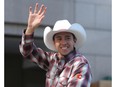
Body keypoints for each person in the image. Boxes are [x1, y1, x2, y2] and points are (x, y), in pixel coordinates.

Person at [19, 3, 92, 87]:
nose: (63, 42)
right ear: (54, 42)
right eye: (59, 39)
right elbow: (27, 51)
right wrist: (30, 29)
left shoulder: (80, 64)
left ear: (74, 40)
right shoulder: (52, 60)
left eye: (67, 38)